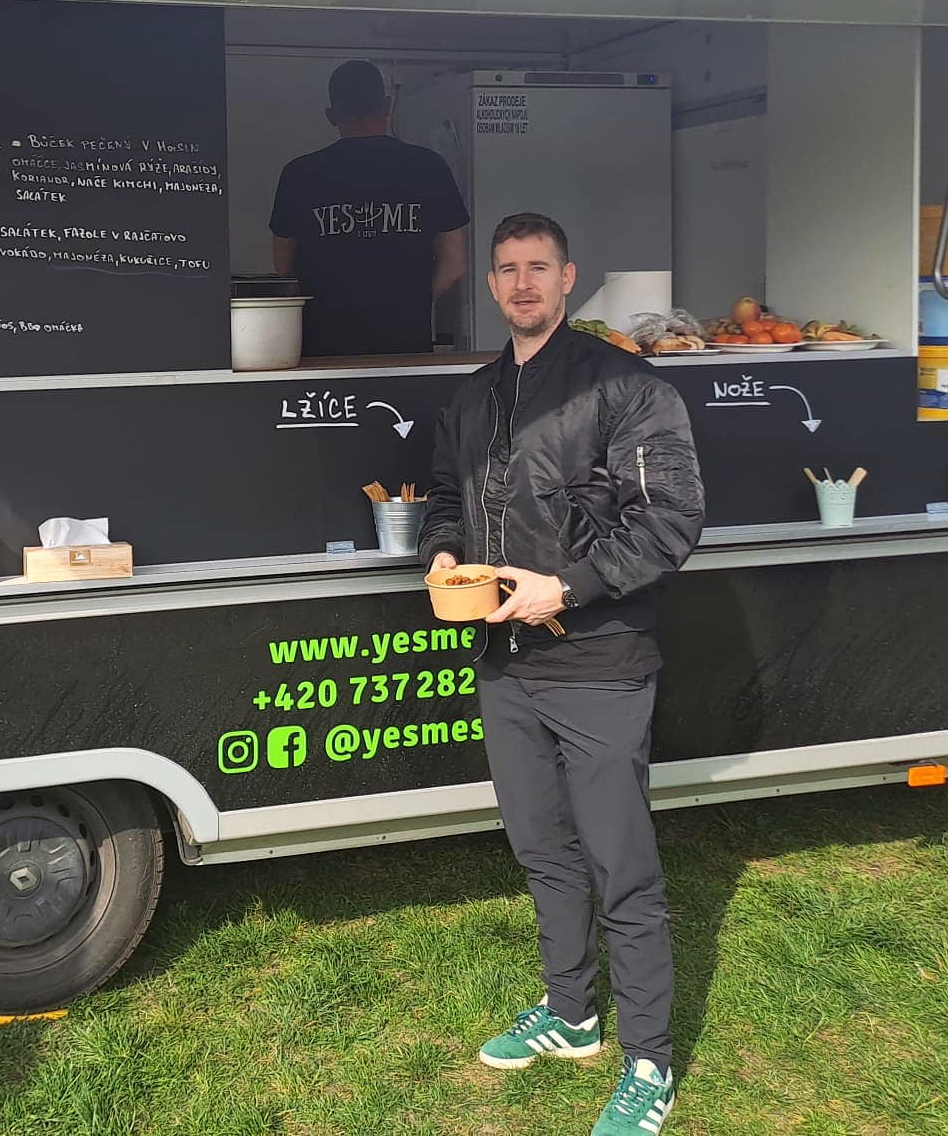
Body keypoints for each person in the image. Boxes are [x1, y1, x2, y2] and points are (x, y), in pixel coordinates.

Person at [419, 212, 704, 1136]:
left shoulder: (629, 387)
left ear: (568, 278)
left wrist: (567, 587)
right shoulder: (474, 396)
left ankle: (651, 1062)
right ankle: (572, 1012)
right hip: (505, 663)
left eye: (538, 267)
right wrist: (443, 552)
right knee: (541, 848)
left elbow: (671, 522)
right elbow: (446, 496)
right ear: (490, 283)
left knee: (622, 866)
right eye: (506, 269)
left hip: (599, 661)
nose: (522, 284)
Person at [269, 59, 468, 358]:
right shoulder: (428, 168)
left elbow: (284, 270)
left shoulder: (299, 175)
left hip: (324, 350)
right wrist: (412, 303)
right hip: (405, 346)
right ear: (387, 106)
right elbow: (455, 264)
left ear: (331, 115)